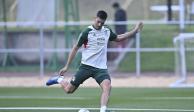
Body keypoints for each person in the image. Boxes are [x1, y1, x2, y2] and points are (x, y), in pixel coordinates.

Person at [46, 10, 143, 112]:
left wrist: (135, 31)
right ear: (94, 18)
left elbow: (119, 38)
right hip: (85, 66)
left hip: (101, 69)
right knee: (69, 90)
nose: (100, 24)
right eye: (98, 21)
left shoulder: (106, 31)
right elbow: (75, 48)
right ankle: (59, 80)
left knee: (107, 86)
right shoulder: (86, 32)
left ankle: (103, 109)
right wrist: (66, 66)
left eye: (102, 22)